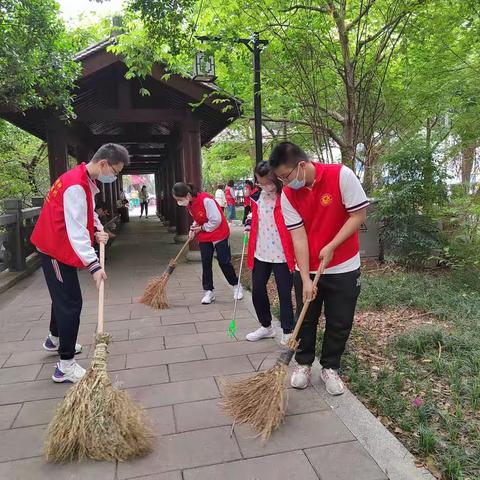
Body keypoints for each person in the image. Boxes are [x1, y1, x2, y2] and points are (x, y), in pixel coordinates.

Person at [269, 141, 369, 396]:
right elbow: (298, 237)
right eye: (280, 179)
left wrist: (333, 244)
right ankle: (303, 364)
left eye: (285, 176)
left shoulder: (340, 176)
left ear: (301, 165)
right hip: (309, 267)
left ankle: (330, 367)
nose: (284, 183)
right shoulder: (289, 195)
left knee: (339, 320)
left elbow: (358, 216)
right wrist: (304, 278)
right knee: (307, 318)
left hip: (344, 265)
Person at [31, 143, 130, 383]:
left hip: (57, 244)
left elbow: (87, 212)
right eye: (115, 172)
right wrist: (94, 265)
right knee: (71, 303)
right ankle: (65, 365)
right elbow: (75, 231)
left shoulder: (81, 179)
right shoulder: (76, 185)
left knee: (62, 297)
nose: (113, 176)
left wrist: (97, 228)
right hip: (55, 249)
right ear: (104, 164)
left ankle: (54, 339)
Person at [244, 162, 295, 346]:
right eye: (260, 182)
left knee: (284, 293)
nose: (265, 186)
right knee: (257, 290)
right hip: (261, 252)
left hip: (282, 254)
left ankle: (288, 330)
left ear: (276, 178)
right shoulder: (256, 197)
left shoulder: (287, 196)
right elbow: (252, 215)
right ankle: (266, 326)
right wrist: (248, 222)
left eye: (268, 182)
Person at [172, 182, 244, 305]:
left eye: (180, 199)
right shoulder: (189, 204)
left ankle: (236, 285)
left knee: (224, 262)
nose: (179, 202)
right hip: (204, 234)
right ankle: (208, 291)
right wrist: (193, 228)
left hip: (219, 232)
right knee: (206, 263)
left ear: (188, 195)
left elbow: (216, 220)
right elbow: (198, 218)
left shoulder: (206, 200)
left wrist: (201, 228)